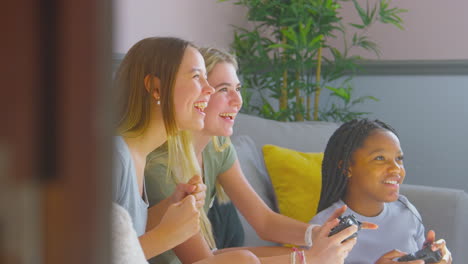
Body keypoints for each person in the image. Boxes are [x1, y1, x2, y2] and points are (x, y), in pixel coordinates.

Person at [145, 47, 369, 264]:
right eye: (223, 89)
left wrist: (318, 233)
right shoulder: (161, 167)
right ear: (199, 94)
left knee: (293, 253)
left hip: (212, 257)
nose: (238, 101)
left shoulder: (218, 146)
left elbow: (264, 221)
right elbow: (203, 261)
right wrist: (306, 259)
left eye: (238, 88)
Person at [112, 37, 263, 263]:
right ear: (156, 88)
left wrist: (169, 207)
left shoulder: (136, 156)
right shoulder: (114, 157)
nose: (209, 89)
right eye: (196, 77)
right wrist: (167, 235)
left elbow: (123, 237)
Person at [309, 119, 452, 264]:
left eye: (399, 158)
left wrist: (431, 256)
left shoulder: (406, 210)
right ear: (347, 167)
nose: (396, 168)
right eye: (380, 158)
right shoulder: (323, 228)